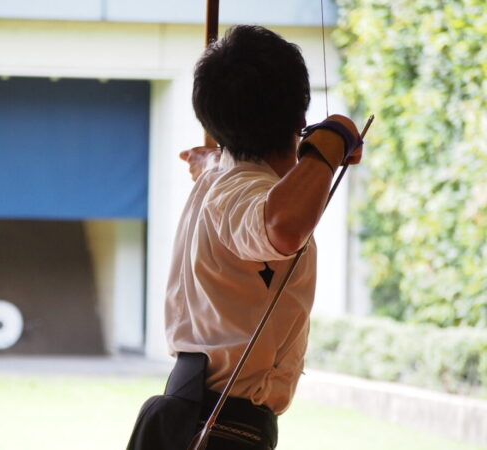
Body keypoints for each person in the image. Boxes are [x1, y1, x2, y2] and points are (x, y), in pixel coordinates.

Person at [127, 25, 363, 450]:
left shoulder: (226, 178)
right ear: (299, 115)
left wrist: (212, 157)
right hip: (222, 429)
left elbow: (238, 184)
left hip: (196, 413)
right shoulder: (240, 194)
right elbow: (282, 227)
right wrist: (332, 139)